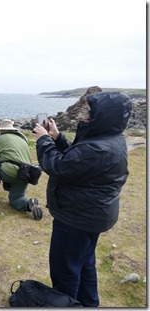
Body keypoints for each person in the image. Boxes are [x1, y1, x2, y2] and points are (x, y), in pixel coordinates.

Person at [32, 92, 132, 307]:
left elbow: (57, 166)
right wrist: (58, 138)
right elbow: (76, 161)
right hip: (92, 214)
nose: (86, 114)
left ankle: (67, 304)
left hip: (76, 218)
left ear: (103, 115)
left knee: (65, 271)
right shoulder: (110, 139)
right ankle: (89, 304)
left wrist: (43, 140)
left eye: (91, 111)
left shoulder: (96, 147)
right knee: (85, 263)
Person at [0, 119, 43, 220]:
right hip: (25, 174)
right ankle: (29, 204)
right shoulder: (22, 139)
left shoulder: (0, 138)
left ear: (0, 129)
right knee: (15, 200)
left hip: (9, 171)